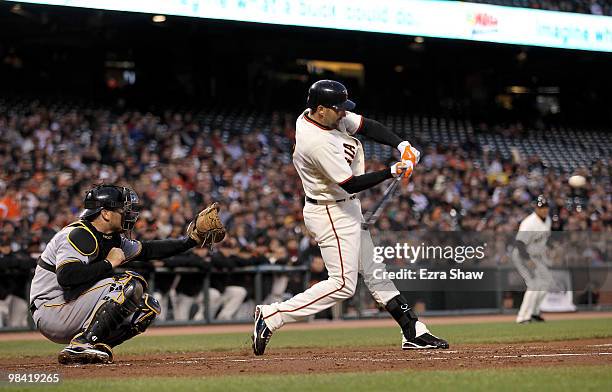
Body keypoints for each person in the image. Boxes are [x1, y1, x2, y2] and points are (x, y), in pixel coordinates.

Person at [252, 80, 448, 355]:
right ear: (320, 110)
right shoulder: (315, 141)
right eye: (338, 109)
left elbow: (366, 126)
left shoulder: (326, 118)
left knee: (375, 272)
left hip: (344, 206)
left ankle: (412, 330)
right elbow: (350, 183)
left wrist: (401, 144)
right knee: (343, 284)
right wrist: (391, 171)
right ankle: (273, 315)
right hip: (330, 210)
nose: (344, 113)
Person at [29, 184, 225, 364]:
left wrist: (190, 240)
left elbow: (149, 250)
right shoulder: (79, 234)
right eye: (122, 209)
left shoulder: (110, 238)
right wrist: (109, 263)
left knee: (146, 307)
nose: (129, 213)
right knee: (129, 282)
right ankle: (82, 344)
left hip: (71, 306)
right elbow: (66, 277)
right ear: (105, 213)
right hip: (52, 309)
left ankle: (94, 346)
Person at [513, 195, 555, 323]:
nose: (544, 209)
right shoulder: (529, 222)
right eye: (541, 207)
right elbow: (519, 243)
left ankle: (535, 313)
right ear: (536, 208)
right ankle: (523, 317)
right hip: (522, 255)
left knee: (547, 281)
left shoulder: (547, 220)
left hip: (536, 257)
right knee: (533, 285)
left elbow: (544, 239)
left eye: (545, 207)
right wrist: (527, 260)